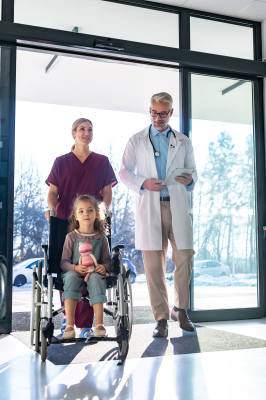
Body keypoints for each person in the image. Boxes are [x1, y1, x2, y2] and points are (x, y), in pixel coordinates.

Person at [119, 92, 197, 338]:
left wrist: (190, 179)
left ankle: (180, 309)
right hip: (150, 205)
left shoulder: (183, 141)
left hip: (177, 206)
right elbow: (123, 172)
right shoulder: (136, 140)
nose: (158, 117)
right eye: (153, 112)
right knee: (154, 265)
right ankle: (161, 318)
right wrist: (143, 183)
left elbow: (194, 172)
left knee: (184, 255)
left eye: (163, 113)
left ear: (171, 113)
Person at [45, 118, 117, 338]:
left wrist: (103, 210)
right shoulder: (61, 161)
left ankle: (87, 323)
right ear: (73, 133)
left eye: (90, 130)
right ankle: (69, 318)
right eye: (82, 129)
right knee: (68, 267)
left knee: (92, 269)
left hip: (93, 221)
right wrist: (51, 209)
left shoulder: (102, 161)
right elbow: (53, 192)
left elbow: (107, 192)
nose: (87, 133)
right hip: (66, 219)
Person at [60, 195, 111, 339]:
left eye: (90, 210)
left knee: (96, 278)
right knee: (70, 277)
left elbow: (107, 261)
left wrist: (103, 267)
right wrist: (75, 268)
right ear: (76, 216)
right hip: (75, 271)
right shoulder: (71, 237)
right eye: (81, 211)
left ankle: (99, 324)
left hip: (94, 272)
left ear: (97, 214)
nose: (86, 214)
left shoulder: (102, 238)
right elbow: (64, 263)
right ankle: (69, 325)